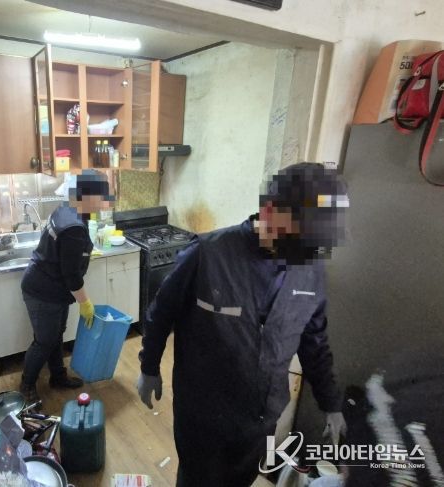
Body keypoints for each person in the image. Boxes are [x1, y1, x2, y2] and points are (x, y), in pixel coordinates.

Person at [136, 162, 349, 486]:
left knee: (241, 479)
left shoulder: (310, 270)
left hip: (262, 419)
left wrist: (331, 403)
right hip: (203, 416)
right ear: (270, 211)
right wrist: (149, 366)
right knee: (196, 480)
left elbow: (314, 343)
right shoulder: (207, 254)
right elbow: (161, 311)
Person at [20, 170, 113, 404]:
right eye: (101, 196)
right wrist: (85, 302)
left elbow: (68, 257)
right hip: (43, 290)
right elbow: (71, 274)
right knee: (44, 341)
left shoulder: (67, 209)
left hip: (54, 289)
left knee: (55, 335)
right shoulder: (73, 226)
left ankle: (58, 376)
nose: (105, 201)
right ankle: (26, 385)